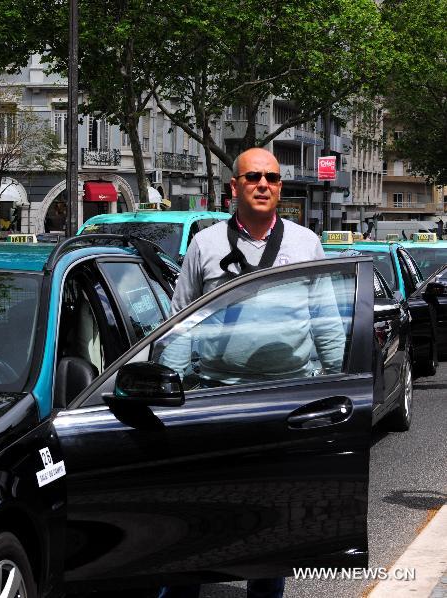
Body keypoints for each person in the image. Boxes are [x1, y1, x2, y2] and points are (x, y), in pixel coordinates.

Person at [159, 147, 343, 598]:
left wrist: (345, 392)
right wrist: (165, 392)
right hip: (215, 400)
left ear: (280, 188)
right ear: (234, 187)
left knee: (273, 523)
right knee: (201, 518)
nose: (264, 185)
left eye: (272, 178)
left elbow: (326, 323)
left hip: (285, 404)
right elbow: (181, 324)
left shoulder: (306, 244)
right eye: (254, 177)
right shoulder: (205, 244)